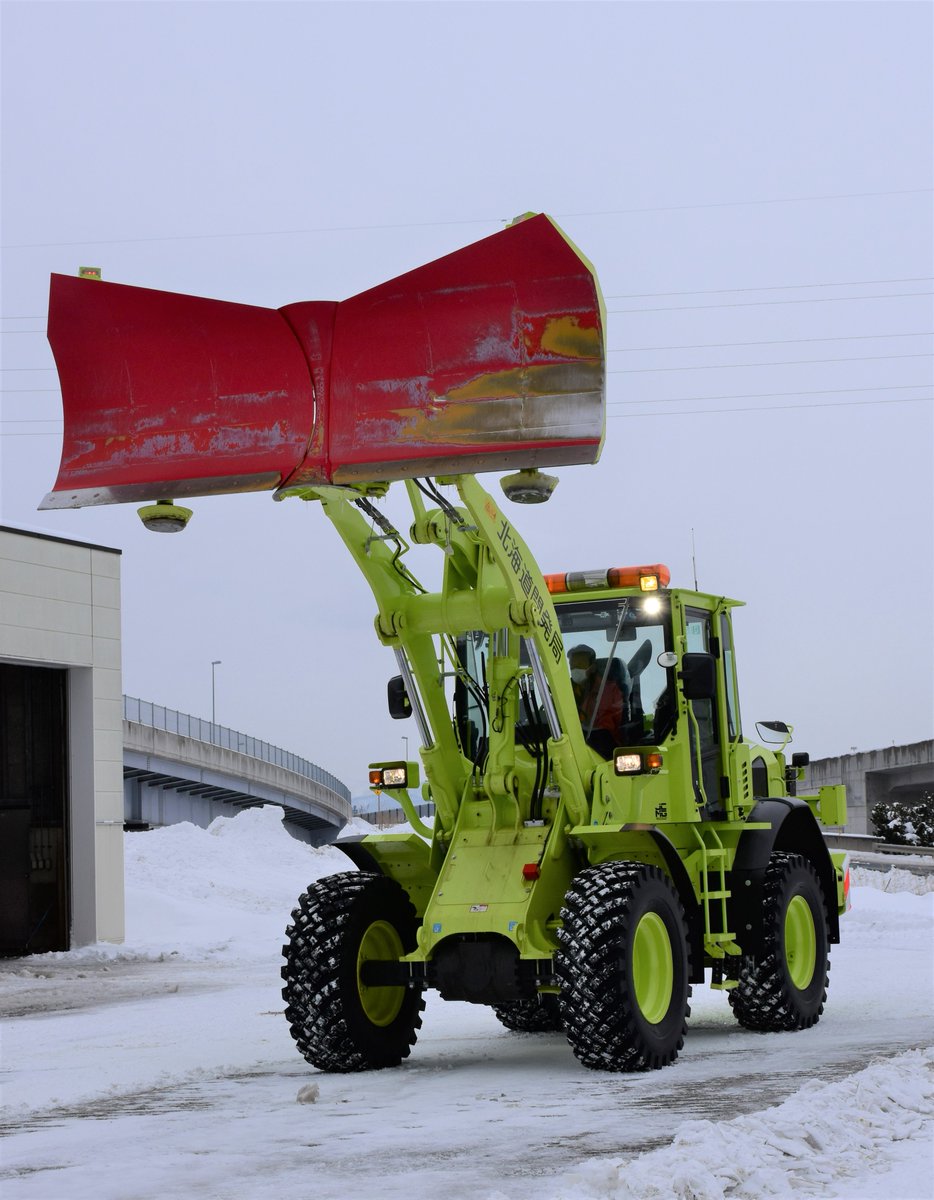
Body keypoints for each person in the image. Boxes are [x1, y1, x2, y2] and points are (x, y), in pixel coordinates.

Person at [567, 644, 625, 758]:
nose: (575, 669)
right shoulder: (564, 691)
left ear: (592, 667)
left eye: (580, 664)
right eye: (573, 665)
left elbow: (608, 727)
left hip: (602, 751)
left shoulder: (609, 690)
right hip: (570, 749)